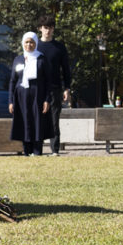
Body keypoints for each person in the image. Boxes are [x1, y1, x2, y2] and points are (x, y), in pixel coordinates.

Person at [9, 32, 53, 157]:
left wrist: (47, 100)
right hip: (21, 97)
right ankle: (26, 151)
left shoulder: (42, 59)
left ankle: (37, 151)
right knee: (24, 121)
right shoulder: (18, 59)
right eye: (27, 42)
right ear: (23, 43)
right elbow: (12, 81)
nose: (29, 45)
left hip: (37, 96)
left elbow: (48, 81)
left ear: (36, 43)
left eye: (32, 42)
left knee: (37, 122)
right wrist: (10, 101)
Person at [37, 14, 72, 156]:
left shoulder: (59, 47)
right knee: (38, 119)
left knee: (54, 119)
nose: (48, 31)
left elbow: (66, 69)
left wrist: (67, 88)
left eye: (51, 28)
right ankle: (37, 149)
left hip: (55, 88)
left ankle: (55, 150)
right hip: (38, 88)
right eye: (45, 28)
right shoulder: (35, 46)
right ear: (40, 29)